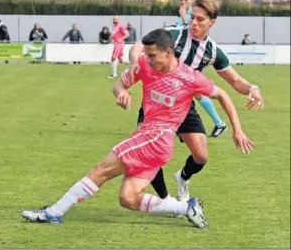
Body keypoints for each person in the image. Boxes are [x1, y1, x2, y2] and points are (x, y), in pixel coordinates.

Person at [21, 29, 254, 229]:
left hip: (157, 138)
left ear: (169, 52)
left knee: (101, 169)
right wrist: (122, 92)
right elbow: (118, 84)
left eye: (153, 56)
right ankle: (185, 207)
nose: (149, 59)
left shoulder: (189, 77)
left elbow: (222, 93)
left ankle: (53, 213)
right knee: (128, 198)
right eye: (147, 55)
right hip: (148, 137)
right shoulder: (143, 64)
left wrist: (237, 129)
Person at [128, 0, 264, 204]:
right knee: (150, 157)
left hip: (183, 106)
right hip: (156, 104)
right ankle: (167, 200)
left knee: (201, 157)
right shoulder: (173, 35)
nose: (194, 23)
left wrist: (252, 88)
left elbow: (235, 81)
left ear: (212, 22)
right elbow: (138, 46)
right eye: (192, 17)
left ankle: (182, 178)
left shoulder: (212, 51)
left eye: (200, 19)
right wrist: (132, 64)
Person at [176, 0, 227, 138]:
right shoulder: (184, 14)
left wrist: (184, 16)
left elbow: (189, 31)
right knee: (195, 94)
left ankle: (219, 123)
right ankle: (218, 123)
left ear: (191, 0)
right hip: (180, 63)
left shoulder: (193, 14)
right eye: (181, 0)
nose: (183, 2)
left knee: (197, 94)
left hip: (191, 62)